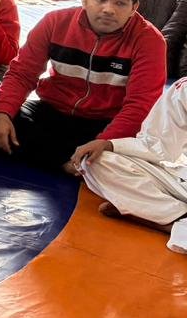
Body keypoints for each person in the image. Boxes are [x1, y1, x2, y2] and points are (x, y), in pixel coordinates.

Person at [0, 0, 166, 173]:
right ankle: (71, 163)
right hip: (53, 112)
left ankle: (43, 153)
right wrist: (4, 113)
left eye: (120, 3)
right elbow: (22, 73)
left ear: (134, 7)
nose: (108, 9)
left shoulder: (149, 40)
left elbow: (140, 105)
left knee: (134, 150)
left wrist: (105, 141)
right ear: (84, 0)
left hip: (106, 123)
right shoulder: (55, 22)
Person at [78, 79, 187, 254]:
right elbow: (157, 144)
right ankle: (175, 218)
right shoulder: (184, 89)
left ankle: (154, 216)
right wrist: (110, 145)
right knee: (96, 161)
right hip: (178, 178)